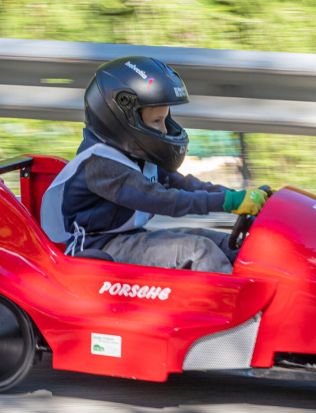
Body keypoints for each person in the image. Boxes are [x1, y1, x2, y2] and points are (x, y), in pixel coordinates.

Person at [40, 56, 268, 274]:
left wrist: (239, 197)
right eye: (157, 121)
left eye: (165, 119)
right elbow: (163, 200)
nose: (164, 130)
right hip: (98, 248)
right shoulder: (101, 166)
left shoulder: (135, 156)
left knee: (224, 244)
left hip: (131, 237)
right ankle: (234, 304)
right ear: (120, 119)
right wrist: (228, 202)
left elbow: (185, 185)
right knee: (200, 251)